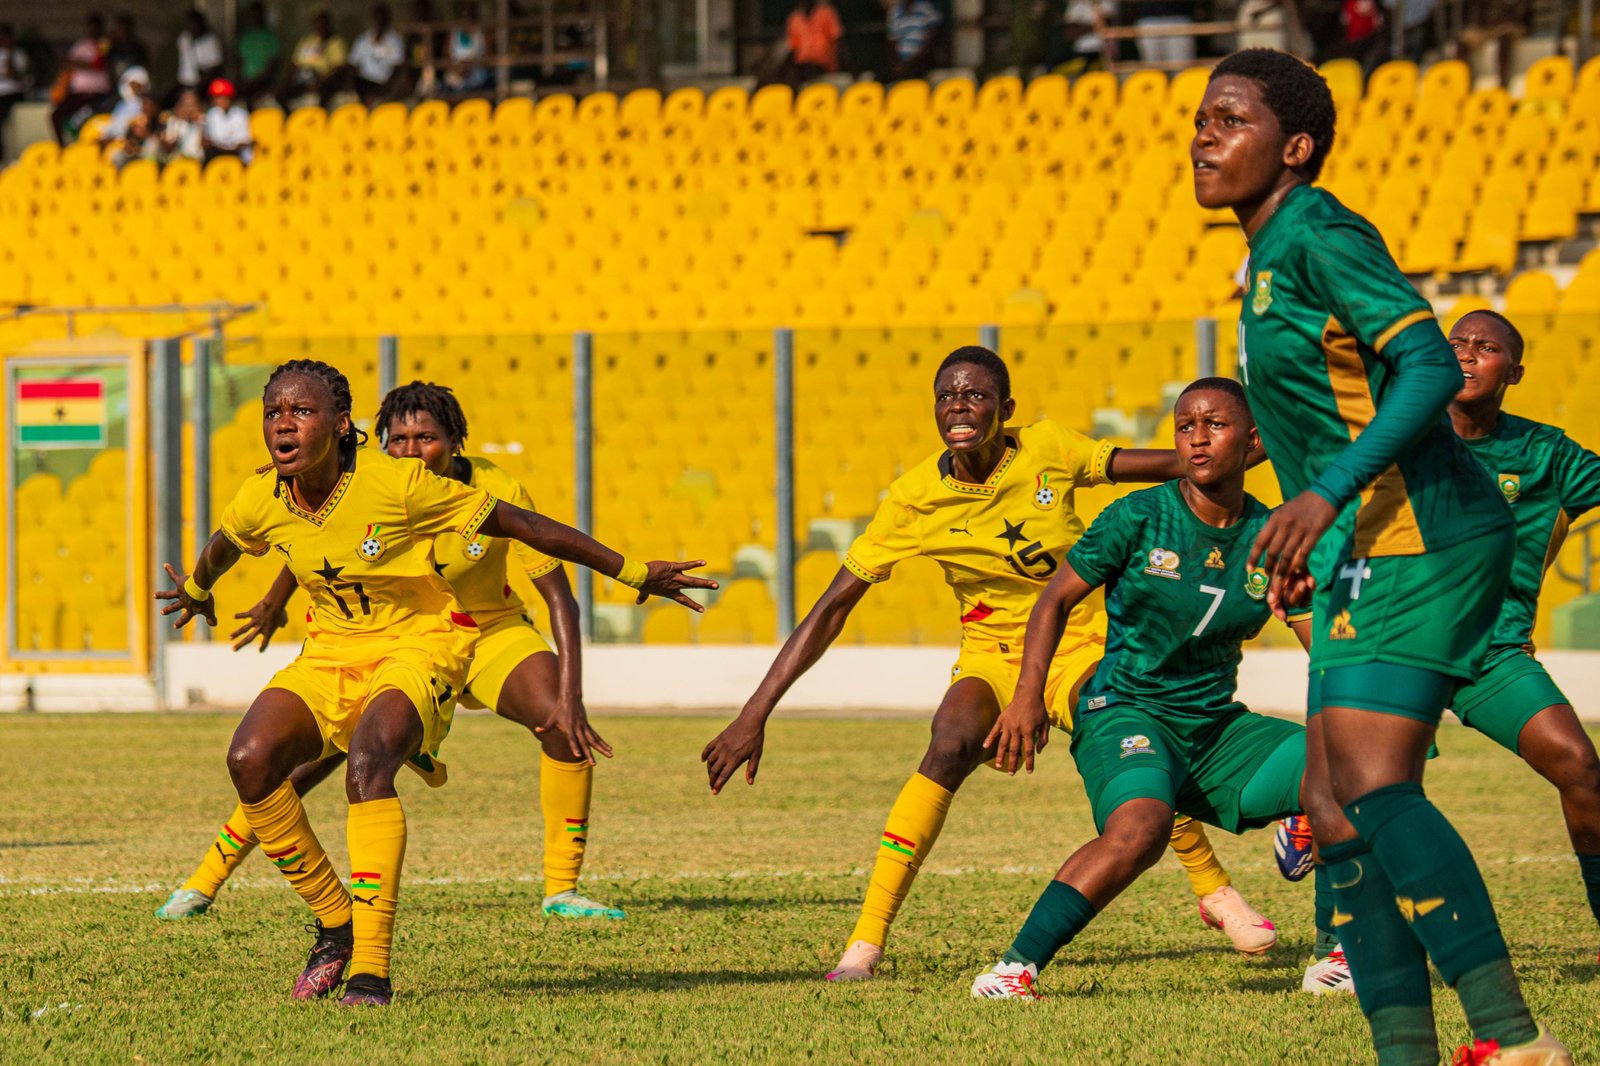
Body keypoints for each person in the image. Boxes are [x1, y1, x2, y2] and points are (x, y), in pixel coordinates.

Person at [1192, 49, 1567, 1065]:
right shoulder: (1264, 255)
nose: (1204, 135)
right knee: (1329, 803)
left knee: (1367, 789)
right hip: (1368, 549)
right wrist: (1312, 535)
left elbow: (1430, 364)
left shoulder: (1318, 229)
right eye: (1200, 118)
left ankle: (1511, 1040)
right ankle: (1406, 1051)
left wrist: (1323, 494)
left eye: (1230, 118)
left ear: (1295, 147)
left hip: (1427, 535)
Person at [702, 347, 1278, 982]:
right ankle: (864, 945)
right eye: (947, 396)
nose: (959, 406)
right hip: (991, 653)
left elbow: (1179, 465)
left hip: (1084, 642)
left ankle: (1215, 891)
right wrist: (753, 714)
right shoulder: (914, 499)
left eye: (975, 395)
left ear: (1006, 410)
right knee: (947, 743)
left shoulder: (1048, 448)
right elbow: (832, 607)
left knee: (1137, 731)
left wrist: (1265, 441)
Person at [155, 360, 713, 1006]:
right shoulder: (262, 496)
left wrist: (634, 570)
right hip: (330, 652)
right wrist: (197, 590)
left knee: (368, 761)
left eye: (300, 412)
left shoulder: (401, 486)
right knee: (250, 759)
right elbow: (230, 542)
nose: (283, 423)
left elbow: (527, 529)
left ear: (341, 427)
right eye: (273, 412)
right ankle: (335, 922)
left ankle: (371, 968)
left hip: (423, 644)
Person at [969, 379, 1334, 997]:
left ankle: (1337, 960)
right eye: (1185, 425)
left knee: (1349, 770)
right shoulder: (1138, 516)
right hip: (1125, 710)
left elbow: (1320, 640)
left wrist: (1364, 709)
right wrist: (1028, 695)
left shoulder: (1274, 536)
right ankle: (1015, 970)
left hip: (1216, 727)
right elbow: (1054, 600)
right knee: (1142, 830)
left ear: (1252, 442)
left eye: (1214, 424)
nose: (1196, 436)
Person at [1444, 310, 1600, 955]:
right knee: (1370, 790)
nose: (1468, 355)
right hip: (1393, 647)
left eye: (1487, 348)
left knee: (1581, 766)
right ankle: (1335, 950)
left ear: (1516, 371)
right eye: (1456, 344)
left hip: (1490, 652)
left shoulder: (1547, 453)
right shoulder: (1398, 437)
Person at [52, 14, 112, 145]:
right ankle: (63, 149)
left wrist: (77, 63)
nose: (92, 30)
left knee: (83, 122)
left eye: (95, 27)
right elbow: (66, 64)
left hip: (97, 94)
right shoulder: (80, 45)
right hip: (78, 93)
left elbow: (98, 64)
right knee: (56, 116)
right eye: (90, 27)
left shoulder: (104, 43)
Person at [280, 11, 347, 106]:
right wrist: (285, 83)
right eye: (318, 23)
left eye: (323, 24)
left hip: (323, 79)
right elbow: (296, 64)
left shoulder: (336, 41)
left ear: (329, 25)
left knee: (321, 95)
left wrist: (319, 82)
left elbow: (337, 68)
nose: (320, 27)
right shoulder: (307, 40)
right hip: (303, 78)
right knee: (281, 94)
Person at [347, 4, 410, 104]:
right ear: (372, 19)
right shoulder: (362, 40)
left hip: (385, 84)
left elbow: (398, 67)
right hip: (365, 82)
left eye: (382, 17)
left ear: (388, 19)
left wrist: (384, 89)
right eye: (377, 17)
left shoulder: (396, 40)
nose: (379, 21)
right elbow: (352, 64)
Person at [172, 10, 226, 107]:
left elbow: (216, 67)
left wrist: (202, 84)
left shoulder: (211, 41)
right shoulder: (183, 39)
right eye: (189, 24)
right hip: (184, 84)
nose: (192, 27)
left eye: (194, 24)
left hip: (203, 86)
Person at [236, 2, 283, 106]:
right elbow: (240, 61)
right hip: (246, 81)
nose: (254, 18)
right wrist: (241, 78)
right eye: (252, 15)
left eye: (257, 14)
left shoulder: (271, 37)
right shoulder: (246, 37)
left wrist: (256, 79)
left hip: (264, 81)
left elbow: (274, 64)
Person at [883, 0, 943, 81]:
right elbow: (892, 41)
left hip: (922, 63)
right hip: (902, 64)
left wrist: (912, 63)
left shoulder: (926, 8)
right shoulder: (895, 12)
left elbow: (932, 39)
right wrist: (897, 65)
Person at [201, 78, 252, 163]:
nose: (221, 101)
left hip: (239, 159)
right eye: (217, 97)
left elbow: (243, 141)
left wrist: (226, 148)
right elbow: (208, 141)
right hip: (218, 156)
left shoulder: (240, 114)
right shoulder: (211, 114)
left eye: (224, 97)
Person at [0, 23, 29, 161]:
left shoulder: (18, 54)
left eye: (7, 36)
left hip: (13, 94)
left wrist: (9, 55)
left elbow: (15, 75)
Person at [157, 89, 204, 163]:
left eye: (192, 105)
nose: (189, 109)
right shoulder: (173, 122)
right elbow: (168, 147)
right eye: (186, 105)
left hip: (199, 163)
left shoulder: (203, 121)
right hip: (177, 164)